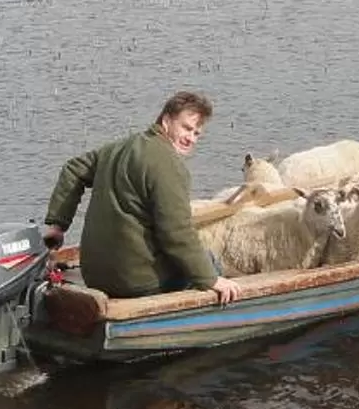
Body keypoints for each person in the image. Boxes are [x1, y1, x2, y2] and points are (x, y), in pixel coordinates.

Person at [44, 91, 245, 305]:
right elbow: (177, 233)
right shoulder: (168, 165)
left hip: (94, 275)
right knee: (209, 263)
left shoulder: (119, 148)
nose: (191, 139)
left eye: (197, 134)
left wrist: (58, 225)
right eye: (186, 128)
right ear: (166, 120)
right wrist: (211, 279)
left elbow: (73, 170)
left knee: (196, 261)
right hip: (136, 282)